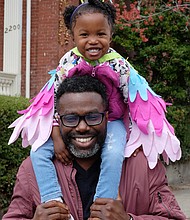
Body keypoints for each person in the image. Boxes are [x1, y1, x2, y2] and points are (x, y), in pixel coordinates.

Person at [8, 0, 181, 204]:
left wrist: (134, 138)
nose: (93, 41)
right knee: (37, 152)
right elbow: (54, 100)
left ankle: (104, 202)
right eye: (84, 35)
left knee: (114, 152)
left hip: (112, 121)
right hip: (68, 122)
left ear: (110, 35)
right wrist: (55, 134)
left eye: (100, 34)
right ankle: (52, 200)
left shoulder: (119, 65)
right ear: (73, 36)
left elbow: (132, 101)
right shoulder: (68, 62)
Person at [3, 75, 186, 220]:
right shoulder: (31, 171)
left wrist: (127, 219)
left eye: (92, 117)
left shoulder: (142, 167)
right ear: (58, 121)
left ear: (107, 118)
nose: (82, 127)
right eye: (71, 118)